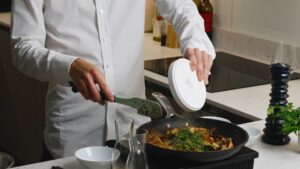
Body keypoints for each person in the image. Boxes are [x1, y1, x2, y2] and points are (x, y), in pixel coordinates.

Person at [11, 0, 215, 159]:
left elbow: (181, 7)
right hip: (74, 136)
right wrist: (69, 66)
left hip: (133, 135)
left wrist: (196, 43)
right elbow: (23, 48)